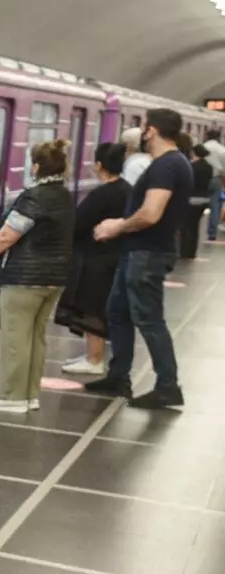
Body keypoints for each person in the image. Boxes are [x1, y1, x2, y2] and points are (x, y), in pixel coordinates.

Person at [86, 106, 191, 410]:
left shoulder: (166, 166)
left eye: (145, 127)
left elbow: (150, 213)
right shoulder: (170, 163)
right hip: (138, 250)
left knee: (148, 319)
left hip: (147, 252)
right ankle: (119, 376)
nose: (143, 132)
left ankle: (168, 386)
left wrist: (117, 226)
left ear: (152, 131)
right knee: (117, 311)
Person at [0, 139, 74, 412]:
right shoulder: (63, 194)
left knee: (15, 336)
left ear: (36, 167)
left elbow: (10, 233)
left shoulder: (35, 196)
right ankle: (30, 395)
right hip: (54, 278)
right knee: (36, 336)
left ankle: (11, 397)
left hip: (24, 277)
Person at [57, 142, 130, 377]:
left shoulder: (101, 194)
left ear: (99, 165)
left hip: (97, 260)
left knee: (93, 309)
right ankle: (93, 355)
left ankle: (94, 358)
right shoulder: (128, 189)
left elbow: (78, 224)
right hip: (118, 256)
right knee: (104, 308)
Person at [183, 140, 214, 260]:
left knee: (187, 226)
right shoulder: (209, 167)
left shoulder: (192, 166)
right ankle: (192, 251)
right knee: (195, 226)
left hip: (192, 199)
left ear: (194, 153)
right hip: (204, 199)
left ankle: (186, 250)